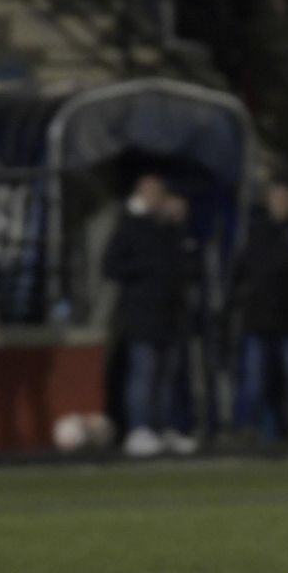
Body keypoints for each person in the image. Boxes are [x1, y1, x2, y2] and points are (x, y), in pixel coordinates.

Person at [102, 174, 197, 458]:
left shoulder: (170, 229)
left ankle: (162, 426)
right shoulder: (130, 227)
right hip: (140, 315)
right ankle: (139, 429)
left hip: (170, 315)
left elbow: (187, 265)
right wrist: (147, 270)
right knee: (143, 374)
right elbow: (109, 267)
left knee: (167, 377)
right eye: (149, 193)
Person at [231, 178, 288, 442]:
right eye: (275, 197)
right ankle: (247, 427)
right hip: (257, 317)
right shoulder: (256, 230)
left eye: (284, 198)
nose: (279, 203)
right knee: (254, 378)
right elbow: (241, 270)